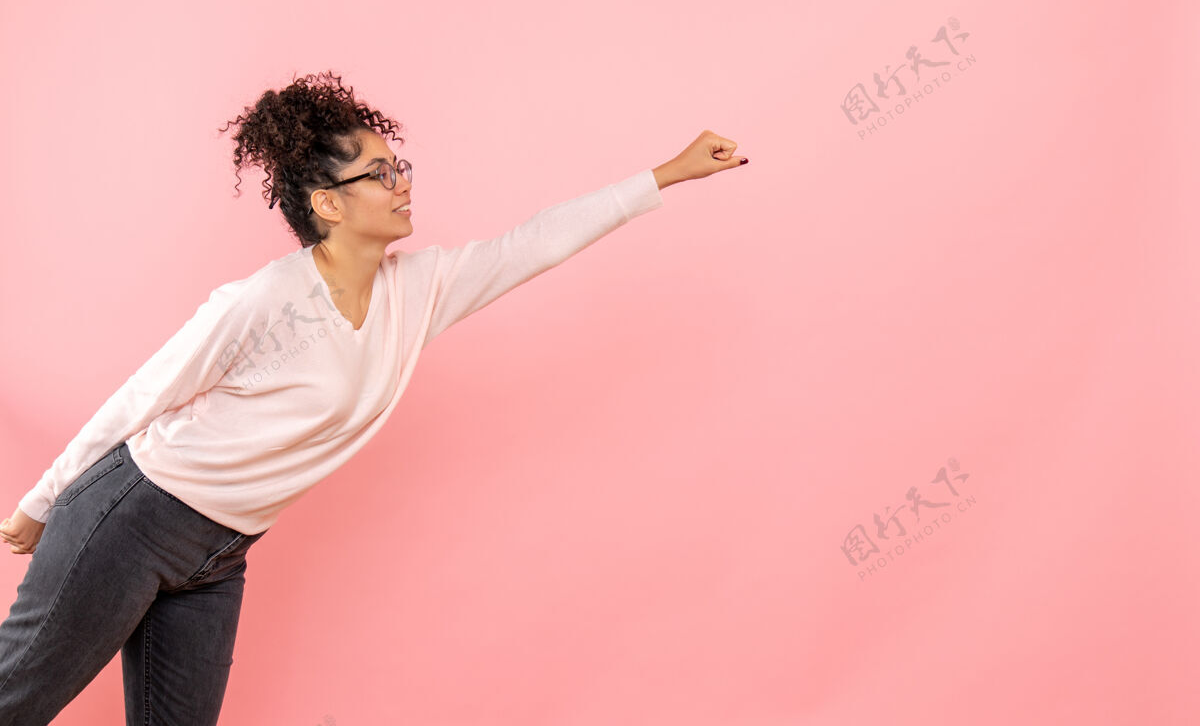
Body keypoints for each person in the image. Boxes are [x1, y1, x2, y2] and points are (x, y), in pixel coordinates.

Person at [0, 69, 748, 724]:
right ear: (328, 204)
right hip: (132, 518)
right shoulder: (266, 299)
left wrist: (666, 174)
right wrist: (43, 501)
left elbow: (531, 244)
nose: (404, 183)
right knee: (16, 699)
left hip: (219, 556)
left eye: (401, 166)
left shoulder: (415, 292)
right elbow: (147, 393)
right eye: (381, 173)